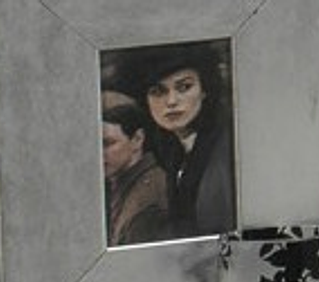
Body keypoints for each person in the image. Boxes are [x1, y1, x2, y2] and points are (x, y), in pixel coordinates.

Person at [129, 44, 237, 239]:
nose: (171, 101)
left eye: (184, 87)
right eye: (158, 91)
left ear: (204, 90)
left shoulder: (228, 148)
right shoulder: (170, 150)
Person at [102, 102, 170, 246]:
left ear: (137, 140)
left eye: (108, 143)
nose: (99, 153)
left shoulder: (148, 199)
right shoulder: (121, 183)